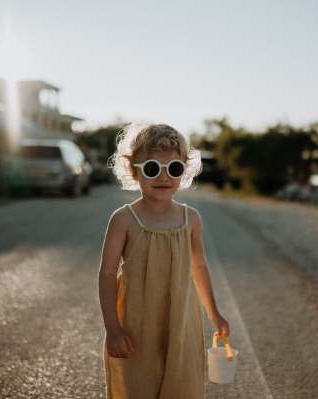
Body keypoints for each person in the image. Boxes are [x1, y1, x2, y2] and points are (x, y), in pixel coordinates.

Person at [98, 122, 229, 398]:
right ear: (134, 171)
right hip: (137, 324)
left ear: (185, 171)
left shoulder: (190, 218)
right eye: (152, 168)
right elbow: (108, 275)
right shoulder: (124, 219)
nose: (163, 177)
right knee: (138, 384)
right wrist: (113, 328)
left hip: (181, 321)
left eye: (175, 169)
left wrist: (213, 312)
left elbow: (199, 266)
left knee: (182, 384)